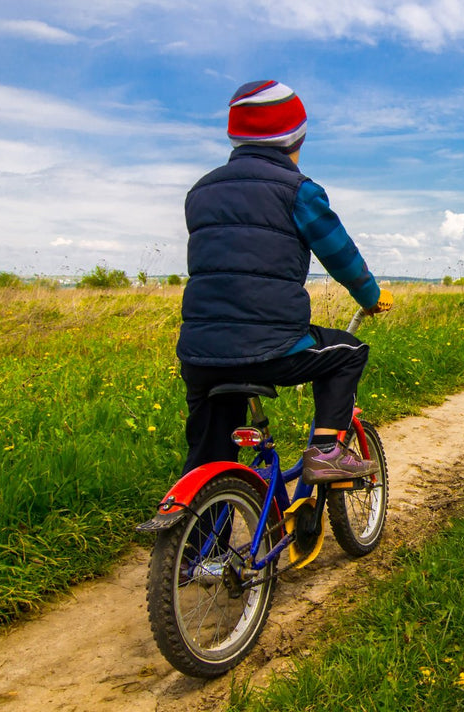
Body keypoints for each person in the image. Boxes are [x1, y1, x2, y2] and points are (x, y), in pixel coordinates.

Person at [176, 79, 391, 485]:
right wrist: (371, 296)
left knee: (207, 457)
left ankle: (199, 543)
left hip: (200, 352)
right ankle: (327, 453)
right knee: (349, 352)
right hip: (272, 348)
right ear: (295, 137)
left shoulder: (200, 191)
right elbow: (339, 253)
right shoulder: (298, 191)